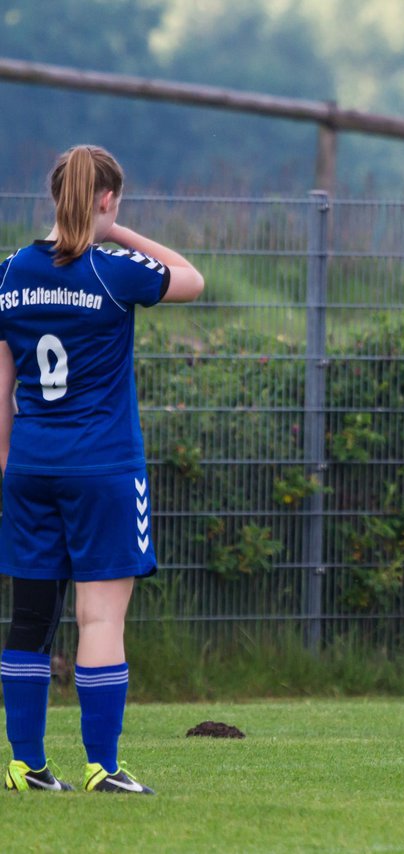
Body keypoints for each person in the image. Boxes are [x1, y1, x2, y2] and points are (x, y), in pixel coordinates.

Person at [0, 145, 204, 794]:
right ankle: (101, 767)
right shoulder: (115, 272)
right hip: (104, 469)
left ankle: (25, 765)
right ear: (108, 198)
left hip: (30, 468)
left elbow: (0, 388)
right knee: (100, 620)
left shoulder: (8, 274)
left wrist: (8, 468)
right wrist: (114, 231)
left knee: (30, 619)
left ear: (53, 194)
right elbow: (190, 276)